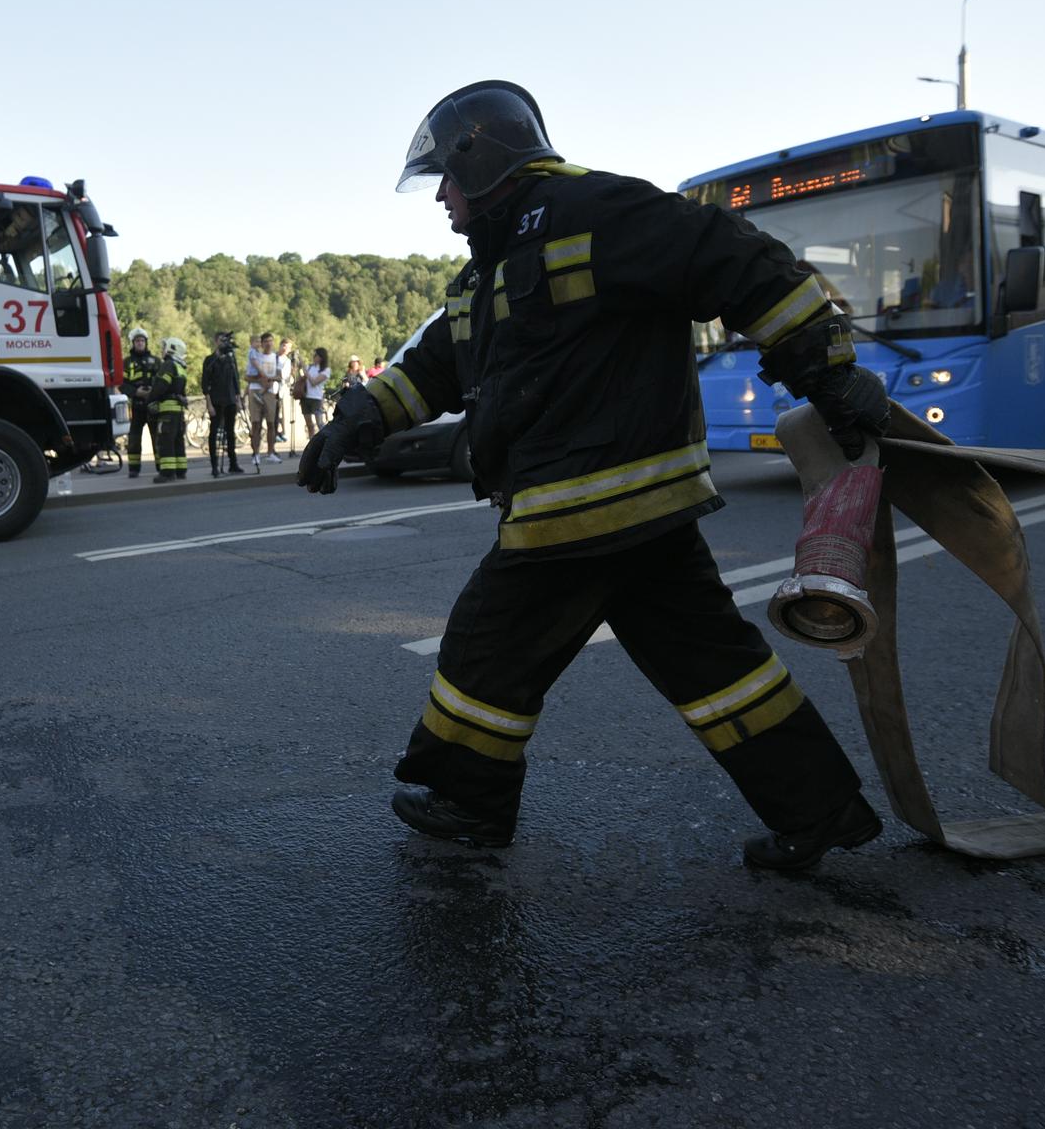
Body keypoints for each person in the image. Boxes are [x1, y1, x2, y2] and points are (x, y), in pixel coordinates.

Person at [297, 80, 891, 870]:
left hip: (580, 509)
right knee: (716, 668)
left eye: (445, 176)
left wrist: (829, 369)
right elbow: (434, 367)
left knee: (486, 647)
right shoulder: (490, 271)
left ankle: (469, 801)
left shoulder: (599, 211)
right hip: (638, 513)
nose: (439, 195)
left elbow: (735, 258)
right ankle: (820, 810)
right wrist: (352, 425)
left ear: (483, 161)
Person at [201, 330, 245, 477]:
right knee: (214, 432)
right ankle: (214, 466)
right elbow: (205, 383)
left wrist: (238, 400)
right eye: (221, 340)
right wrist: (209, 404)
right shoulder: (209, 359)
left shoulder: (231, 359)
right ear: (216, 341)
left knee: (230, 432)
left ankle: (233, 463)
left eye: (225, 340)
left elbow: (236, 380)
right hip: (216, 400)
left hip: (230, 399)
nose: (224, 343)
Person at [121, 328, 162, 478]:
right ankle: (133, 468)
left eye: (142, 341)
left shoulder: (156, 361)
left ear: (146, 342)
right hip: (136, 405)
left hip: (153, 404)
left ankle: (161, 467)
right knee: (134, 438)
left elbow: (162, 381)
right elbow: (122, 383)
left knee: (157, 437)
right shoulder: (127, 362)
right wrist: (136, 392)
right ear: (133, 343)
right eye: (137, 341)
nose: (140, 343)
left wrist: (153, 391)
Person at [152, 338, 189, 482]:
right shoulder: (181, 367)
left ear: (171, 349)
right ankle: (180, 470)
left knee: (165, 441)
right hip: (178, 411)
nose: (162, 350)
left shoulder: (168, 365)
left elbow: (161, 386)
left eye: (164, 347)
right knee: (178, 441)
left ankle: (167, 473)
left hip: (167, 410)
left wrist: (150, 399)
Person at [244, 331, 283, 468]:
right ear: (261, 343)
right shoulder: (255, 356)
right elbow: (247, 376)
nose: (268, 343)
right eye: (265, 341)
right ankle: (255, 454)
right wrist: (261, 380)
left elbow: (279, 376)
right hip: (255, 390)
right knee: (256, 423)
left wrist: (270, 379)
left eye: (271, 341)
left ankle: (271, 452)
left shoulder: (276, 358)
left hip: (270, 393)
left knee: (271, 423)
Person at [301, 346, 331, 442]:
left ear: (321, 357)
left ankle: (323, 443)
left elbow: (314, 382)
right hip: (305, 397)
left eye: (316, 355)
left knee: (319, 423)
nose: (314, 357)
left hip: (316, 398)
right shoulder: (310, 367)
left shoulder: (326, 370)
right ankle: (311, 444)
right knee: (309, 424)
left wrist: (306, 372)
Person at [275, 337, 297, 453]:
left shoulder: (287, 361)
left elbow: (286, 375)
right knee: (274, 413)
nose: (285, 349)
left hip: (283, 389)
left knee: (282, 412)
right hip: (273, 389)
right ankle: (276, 432)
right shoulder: (274, 357)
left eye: (288, 347)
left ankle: (282, 432)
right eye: (284, 346)